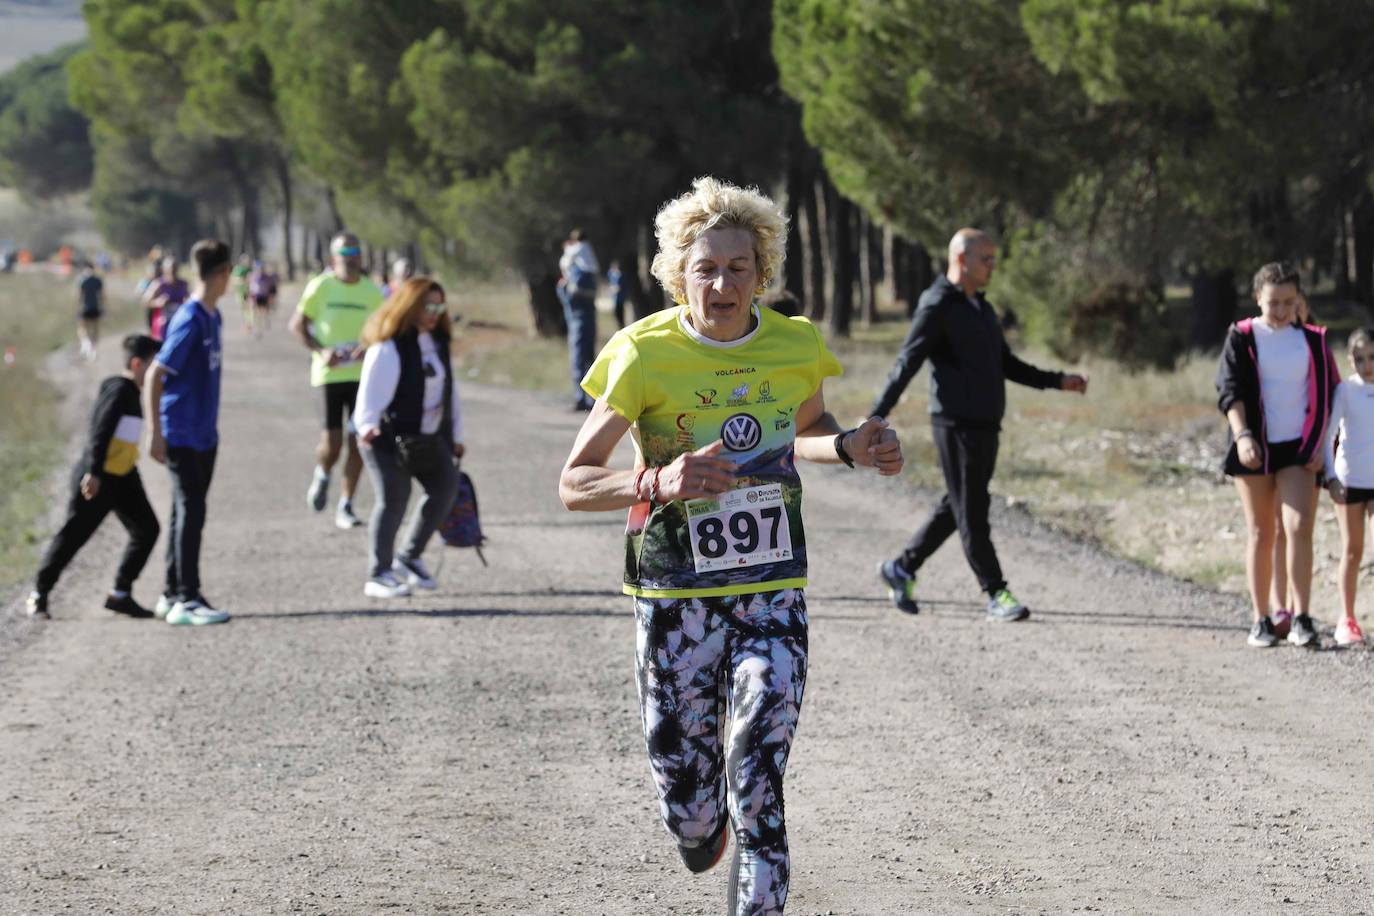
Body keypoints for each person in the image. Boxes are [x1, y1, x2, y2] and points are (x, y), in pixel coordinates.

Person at [559, 177, 902, 916]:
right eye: (706, 268)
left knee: (756, 769)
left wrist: (850, 446)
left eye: (738, 267)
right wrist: (660, 479)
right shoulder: (640, 353)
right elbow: (575, 482)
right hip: (676, 601)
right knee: (689, 798)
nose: (721, 282)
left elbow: (807, 431)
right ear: (679, 275)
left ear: (761, 272)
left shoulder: (794, 343)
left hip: (771, 592)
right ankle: (696, 823)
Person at [871, 228, 1087, 622]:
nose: (992, 266)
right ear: (961, 259)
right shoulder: (937, 305)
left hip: (987, 423)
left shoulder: (981, 308)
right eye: (986, 258)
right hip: (955, 424)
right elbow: (908, 362)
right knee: (973, 509)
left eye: (993, 259)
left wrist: (1058, 380)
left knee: (957, 505)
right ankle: (996, 592)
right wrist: (876, 415)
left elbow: (1007, 364)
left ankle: (901, 568)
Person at [1216, 261, 1338, 648]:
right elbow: (1229, 389)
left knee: (1299, 527)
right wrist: (1243, 435)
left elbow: (1332, 397)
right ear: (1258, 298)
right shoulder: (1242, 336)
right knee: (1261, 531)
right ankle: (1261, 618)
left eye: (1289, 302)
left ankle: (1302, 617)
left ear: (1299, 300)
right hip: (1254, 443)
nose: (1281, 310)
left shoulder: (1315, 341)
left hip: (1299, 447)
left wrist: (1325, 446)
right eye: (1273, 302)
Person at [25, 335, 163, 620]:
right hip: (99, 478)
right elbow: (99, 432)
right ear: (137, 364)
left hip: (124, 476)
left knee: (147, 529)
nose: (158, 371)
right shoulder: (118, 391)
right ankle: (39, 593)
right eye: (153, 365)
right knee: (74, 536)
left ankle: (120, 594)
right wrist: (94, 472)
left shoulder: (134, 393)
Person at [352, 278, 463, 598]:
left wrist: (456, 434)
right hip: (385, 438)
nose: (433, 313)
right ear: (409, 306)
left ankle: (409, 557)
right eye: (427, 306)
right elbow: (368, 398)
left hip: (430, 437)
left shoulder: (438, 343)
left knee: (445, 487)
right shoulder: (389, 346)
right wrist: (367, 427)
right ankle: (378, 573)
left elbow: (449, 393)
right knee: (393, 499)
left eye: (439, 307)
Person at [143, 239, 233, 626]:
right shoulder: (190, 318)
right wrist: (156, 433)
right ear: (223, 274)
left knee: (185, 512)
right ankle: (188, 598)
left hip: (204, 433)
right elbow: (155, 374)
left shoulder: (214, 317)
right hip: (180, 431)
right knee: (192, 511)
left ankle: (170, 593)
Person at [289, 232, 385, 529]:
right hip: (328, 374)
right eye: (345, 252)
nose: (351, 257)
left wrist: (368, 345)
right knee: (331, 444)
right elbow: (297, 326)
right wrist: (321, 350)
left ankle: (346, 505)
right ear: (334, 258)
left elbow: (382, 331)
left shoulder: (372, 292)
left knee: (359, 441)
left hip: (362, 376)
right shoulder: (321, 286)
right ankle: (323, 472)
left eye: (355, 251)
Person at [1322, 327, 1374, 647]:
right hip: (1350, 481)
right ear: (1349, 360)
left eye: (1372, 357)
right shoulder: (1345, 392)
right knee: (1352, 550)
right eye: (1359, 358)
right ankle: (1348, 619)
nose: (1367, 364)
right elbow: (1328, 436)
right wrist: (1330, 478)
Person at [557, 228, 599, 411]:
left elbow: (569, 301)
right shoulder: (590, 267)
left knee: (578, 359)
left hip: (578, 322)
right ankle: (591, 398)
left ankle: (581, 398)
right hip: (589, 320)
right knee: (590, 359)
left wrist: (561, 288)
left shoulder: (576, 273)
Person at [142, 256, 189, 341]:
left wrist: (187, 301)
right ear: (164, 270)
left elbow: (190, 299)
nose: (173, 272)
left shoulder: (183, 284)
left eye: (175, 269)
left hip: (180, 321)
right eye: (170, 269)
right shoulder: (158, 284)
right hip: (163, 323)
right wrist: (158, 302)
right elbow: (146, 301)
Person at [76, 261, 105, 361]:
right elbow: (101, 296)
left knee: (82, 328)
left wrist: (77, 307)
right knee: (95, 329)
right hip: (95, 307)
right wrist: (103, 307)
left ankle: (86, 344)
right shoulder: (97, 280)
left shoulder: (81, 280)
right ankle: (94, 350)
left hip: (85, 307)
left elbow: (79, 295)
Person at [249, 260, 278, 334]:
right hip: (256, 296)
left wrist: (271, 296)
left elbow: (271, 287)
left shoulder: (266, 277)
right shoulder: (253, 276)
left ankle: (265, 320)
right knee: (256, 311)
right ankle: (257, 325)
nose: (259, 270)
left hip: (264, 296)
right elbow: (250, 287)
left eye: (261, 269)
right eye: (258, 269)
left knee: (264, 310)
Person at [232, 253, 253, 333]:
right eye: (246, 260)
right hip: (241, 292)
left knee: (249, 308)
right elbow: (234, 280)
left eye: (248, 260)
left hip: (249, 292)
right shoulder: (238, 269)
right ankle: (246, 324)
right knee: (244, 309)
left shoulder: (249, 269)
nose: (248, 262)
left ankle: (249, 324)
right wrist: (244, 280)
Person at [607, 259, 628, 327]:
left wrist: (612, 289)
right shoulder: (613, 275)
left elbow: (618, 288)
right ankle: (620, 326)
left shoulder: (621, 276)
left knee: (620, 314)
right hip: (615, 298)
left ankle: (621, 326)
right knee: (616, 314)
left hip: (620, 299)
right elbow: (609, 273)